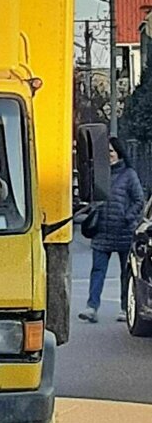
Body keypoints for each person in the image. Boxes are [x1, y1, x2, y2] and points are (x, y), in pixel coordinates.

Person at [79, 136, 144, 324]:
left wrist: (128, 218)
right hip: (102, 231)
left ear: (119, 153)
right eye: (105, 153)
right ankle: (92, 307)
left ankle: (125, 308)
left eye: (111, 152)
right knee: (98, 270)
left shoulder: (129, 174)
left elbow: (139, 200)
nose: (109, 156)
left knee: (126, 272)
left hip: (123, 232)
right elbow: (91, 197)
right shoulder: (99, 174)